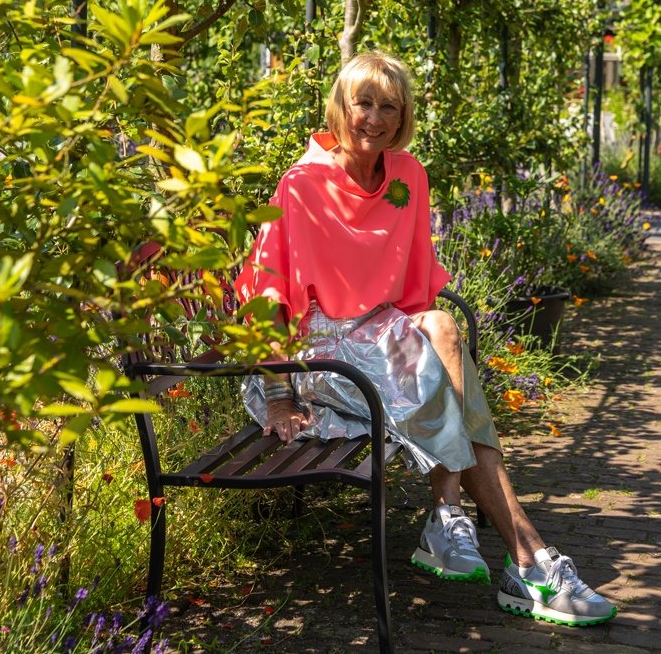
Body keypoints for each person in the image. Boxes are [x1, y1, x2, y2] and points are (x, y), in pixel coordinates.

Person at [235, 51, 615, 627]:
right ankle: (527, 558)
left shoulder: (408, 176)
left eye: (390, 106)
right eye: (364, 102)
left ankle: (458, 522)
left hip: (381, 336)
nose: (376, 118)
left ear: (404, 114)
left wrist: (421, 350)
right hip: (321, 355)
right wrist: (281, 395)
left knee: (439, 325)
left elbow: (416, 290)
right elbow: (267, 292)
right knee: (442, 363)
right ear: (341, 107)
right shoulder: (302, 183)